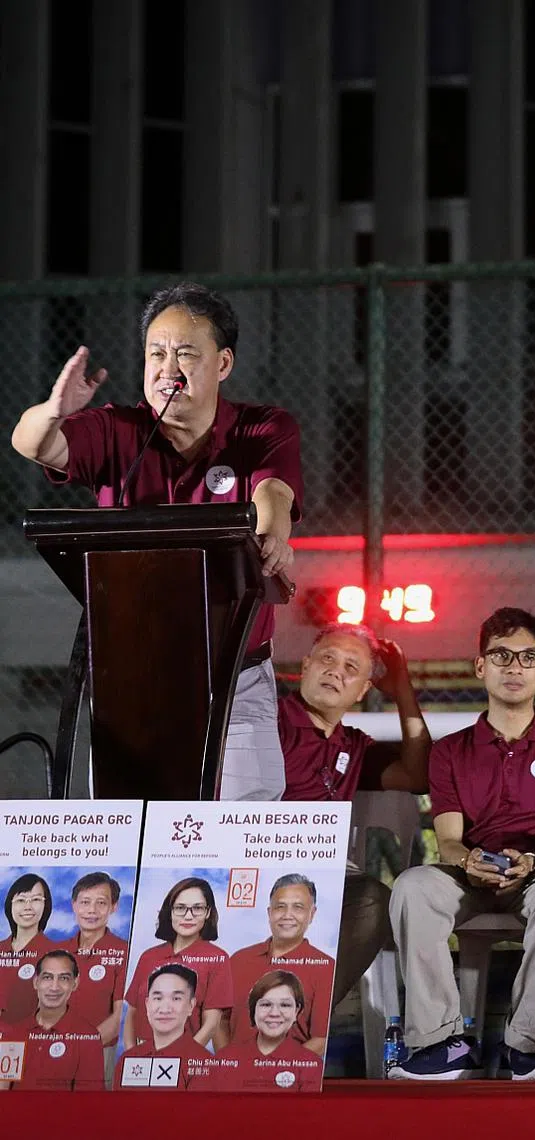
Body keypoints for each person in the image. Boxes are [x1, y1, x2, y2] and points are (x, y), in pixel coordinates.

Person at [10, 282, 304, 801]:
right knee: (136, 839)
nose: (169, 369)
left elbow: (273, 490)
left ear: (224, 364)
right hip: (134, 677)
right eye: (156, 353)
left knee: (240, 834)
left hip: (233, 674)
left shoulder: (262, 427)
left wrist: (273, 531)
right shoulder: (119, 430)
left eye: (186, 354)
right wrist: (55, 410)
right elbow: (32, 443)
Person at [389, 607, 535, 1081]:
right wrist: (470, 861)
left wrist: (534, 860)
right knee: (413, 886)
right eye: (501, 654)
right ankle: (438, 1043)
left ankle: (526, 1046)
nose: (514, 667)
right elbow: (447, 842)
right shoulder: (451, 749)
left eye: (528, 657)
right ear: (480, 666)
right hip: (472, 873)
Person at [278, 622, 430, 1008]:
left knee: (373, 899)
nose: (335, 671)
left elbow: (418, 773)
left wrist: (402, 690)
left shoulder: (353, 745)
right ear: (306, 665)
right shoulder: (270, 722)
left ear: (363, 689)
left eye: (351, 667)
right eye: (327, 659)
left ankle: (303, 1017)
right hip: (257, 861)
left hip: (323, 876)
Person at [226, 875, 333, 1056]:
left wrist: (271, 1067)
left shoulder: (326, 967)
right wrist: (229, 1061)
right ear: (269, 913)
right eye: (280, 907)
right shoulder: (238, 960)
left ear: (312, 914)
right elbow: (221, 1020)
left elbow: (321, 1039)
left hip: (288, 1077)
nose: (287, 915)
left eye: (298, 907)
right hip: (233, 1077)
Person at [123, 878, 232, 1050]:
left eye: (197, 908)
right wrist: (130, 1052)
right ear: (170, 911)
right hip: (140, 1059)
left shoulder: (217, 958)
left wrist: (182, 1056)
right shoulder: (149, 956)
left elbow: (211, 1024)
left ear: (208, 912)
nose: (188, 916)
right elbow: (132, 1013)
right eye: (180, 908)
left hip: (184, 1055)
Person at [0, 950, 104, 1092]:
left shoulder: (88, 1037)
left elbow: (88, 1102)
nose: (54, 987)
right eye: (48, 977)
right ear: (36, 982)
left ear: (75, 983)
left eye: (64, 978)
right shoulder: (15, 1033)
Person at [217, 970, 323, 1092]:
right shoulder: (224, 1058)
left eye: (285, 1005)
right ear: (253, 1009)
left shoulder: (311, 1064)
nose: (274, 1013)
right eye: (266, 1005)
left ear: (296, 1011)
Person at [114, 964, 216, 1090]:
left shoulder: (205, 1063)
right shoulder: (127, 1059)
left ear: (191, 1005)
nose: (165, 1009)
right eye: (158, 998)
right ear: (147, 1004)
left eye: (176, 998)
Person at [55, 872, 129, 1047]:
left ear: (114, 906)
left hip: (100, 1050)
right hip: (51, 1049)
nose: (92, 910)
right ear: (74, 905)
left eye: (101, 903)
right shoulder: (56, 951)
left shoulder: (124, 952)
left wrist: (83, 1047)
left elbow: (120, 1016)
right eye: (85, 902)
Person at [0, 874, 55, 1022]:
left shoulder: (55, 955)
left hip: (28, 1039)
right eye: (21, 900)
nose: (28, 906)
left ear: (46, 905)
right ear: (10, 905)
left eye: (36, 899)